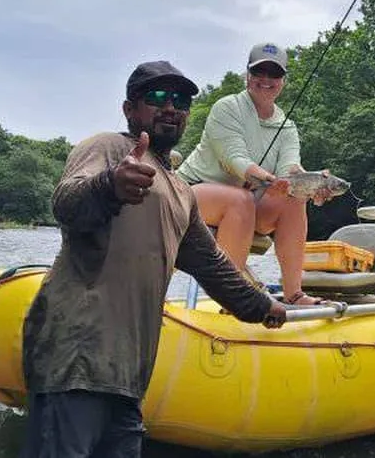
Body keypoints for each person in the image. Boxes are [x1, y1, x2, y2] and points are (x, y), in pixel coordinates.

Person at [21, 60, 287, 458]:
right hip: (75, 362)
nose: (170, 107)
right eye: (157, 97)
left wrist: (261, 306)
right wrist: (110, 186)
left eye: (180, 100)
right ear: (130, 109)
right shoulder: (108, 148)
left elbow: (210, 264)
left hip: (128, 375)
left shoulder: (180, 191)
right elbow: (67, 204)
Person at [178, 43, 329, 306]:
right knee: (240, 200)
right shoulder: (227, 107)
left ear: (283, 81)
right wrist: (270, 180)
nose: (266, 80)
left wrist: (313, 184)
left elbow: (290, 170)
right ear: (247, 75)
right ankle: (233, 298)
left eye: (274, 74)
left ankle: (295, 294)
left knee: (294, 199)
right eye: (260, 72)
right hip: (188, 195)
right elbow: (236, 160)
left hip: (246, 204)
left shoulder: (288, 126)